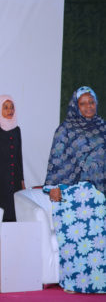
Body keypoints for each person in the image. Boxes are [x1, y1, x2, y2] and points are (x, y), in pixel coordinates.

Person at [44, 86, 105, 294]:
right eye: (83, 103)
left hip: (98, 195)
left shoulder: (102, 126)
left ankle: (99, 283)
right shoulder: (66, 129)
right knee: (75, 240)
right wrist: (53, 187)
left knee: (98, 242)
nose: (88, 107)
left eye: (92, 102)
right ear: (75, 106)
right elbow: (56, 159)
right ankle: (73, 282)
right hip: (72, 194)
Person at [0, 95, 25, 222]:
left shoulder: (16, 130)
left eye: (12, 107)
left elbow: (18, 157)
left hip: (13, 181)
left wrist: (21, 181)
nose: (10, 110)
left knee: (14, 215)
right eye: (6, 107)